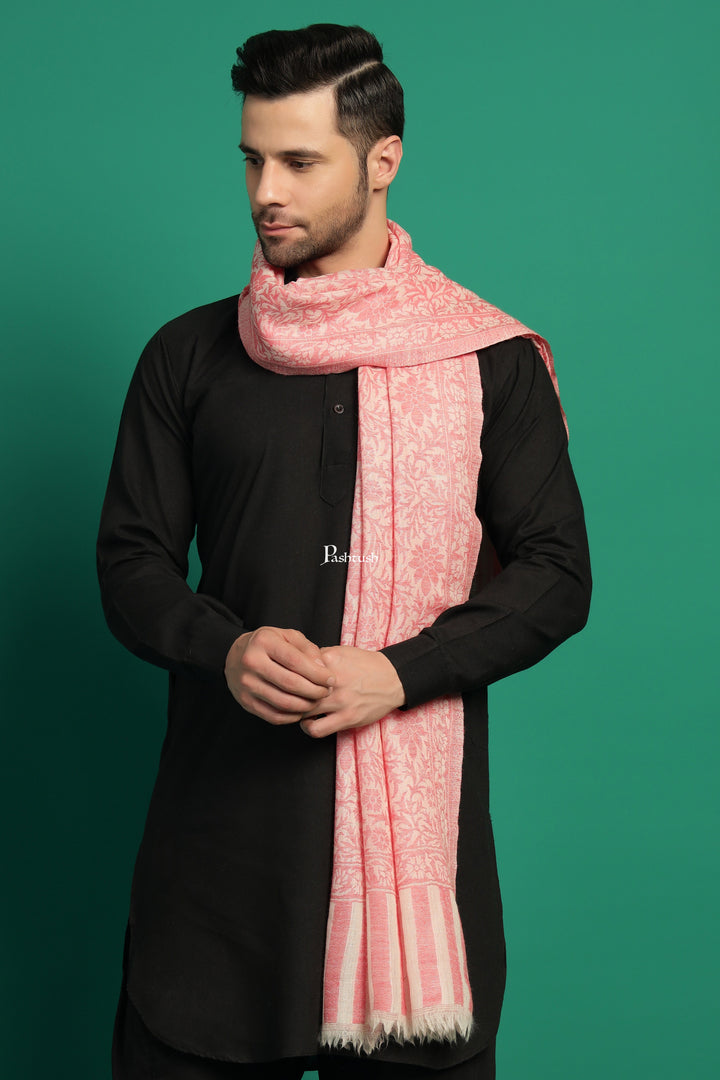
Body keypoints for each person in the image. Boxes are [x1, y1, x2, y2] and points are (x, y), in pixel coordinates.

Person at [98, 23, 591, 1080]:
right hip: (221, 867)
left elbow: (557, 576)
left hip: (420, 891)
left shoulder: (486, 359)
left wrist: (399, 674)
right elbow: (131, 562)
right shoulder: (189, 356)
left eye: (299, 162)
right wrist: (224, 649)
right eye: (251, 159)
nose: (265, 192)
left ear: (382, 161)